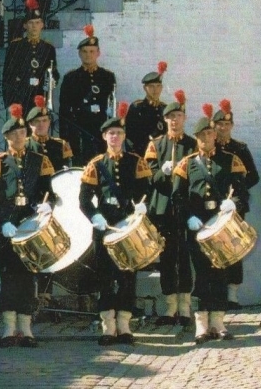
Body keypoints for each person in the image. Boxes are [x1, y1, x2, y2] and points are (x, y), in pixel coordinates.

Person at [176, 106, 250, 344]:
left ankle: (218, 323)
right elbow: (177, 197)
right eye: (202, 135)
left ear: (215, 136)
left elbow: (242, 193)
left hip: (221, 229)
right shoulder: (186, 164)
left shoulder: (231, 161)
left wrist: (233, 204)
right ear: (197, 138)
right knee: (201, 276)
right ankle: (201, 324)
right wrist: (188, 216)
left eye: (210, 134)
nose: (207, 139)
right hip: (198, 228)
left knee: (220, 275)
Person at [80, 103, 152, 347]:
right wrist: (95, 216)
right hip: (105, 228)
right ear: (104, 136)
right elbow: (83, 199)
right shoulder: (96, 164)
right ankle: (108, 326)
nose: (115, 137)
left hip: (128, 227)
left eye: (119, 133)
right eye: (111, 133)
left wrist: (143, 206)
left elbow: (147, 191)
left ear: (124, 136)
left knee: (127, 277)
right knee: (105, 277)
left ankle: (124, 326)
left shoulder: (136, 162)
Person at [0, 105, 55, 348]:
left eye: (22, 132)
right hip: (7, 228)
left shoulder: (39, 160)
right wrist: (3, 222)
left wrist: (48, 205)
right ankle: (8, 329)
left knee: (28, 278)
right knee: (9, 277)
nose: (19, 137)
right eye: (14, 134)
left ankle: (26, 330)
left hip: (29, 226)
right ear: (6, 137)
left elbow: (48, 190)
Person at [145, 91, 197, 329]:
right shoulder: (156, 144)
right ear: (165, 120)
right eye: (171, 117)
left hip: (185, 207)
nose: (175, 120)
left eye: (179, 116)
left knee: (184, 256)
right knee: (166, 258)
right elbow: (148, 176)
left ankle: (185, 305)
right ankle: (170, 305)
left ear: (184, 119)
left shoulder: (193, 144)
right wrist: (161, 173)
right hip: (163, 208)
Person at [213, 99, 260, 309]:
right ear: (214, 126)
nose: (223, 128)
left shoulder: (240, 148)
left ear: (232, 126)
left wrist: (237, 190)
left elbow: (253, 176)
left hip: (235, 206)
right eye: (219, 124)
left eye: (227, 124)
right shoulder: (209, 148)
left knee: (234, 248)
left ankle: (232, 294)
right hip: (213, 205)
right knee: (214, 248)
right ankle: (216, 293)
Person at [58, 25, 116, 159]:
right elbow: (64, 110)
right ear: (79, 54)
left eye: (91, 51)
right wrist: (64, 138)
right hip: (79, 131)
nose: (88, 55)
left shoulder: (107, 77)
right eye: (84, 51)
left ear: (98, 53)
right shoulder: (71, 78)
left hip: (102, 129)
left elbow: (111, 106)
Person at [1, 0, 58, 113]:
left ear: (42, 25)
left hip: (40, 95)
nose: (34, 26)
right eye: (30, 23)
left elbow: (54, 72)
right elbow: (8, 75)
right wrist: (10, 102)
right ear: (25, 26)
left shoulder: (48, 48)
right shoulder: (15, 46)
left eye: (37, 23)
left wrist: (53, 80)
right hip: (20, 96)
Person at [126, 62, 170, 154]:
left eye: (158, 86)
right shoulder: (137, 107)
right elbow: (130, 135)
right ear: (145, 88)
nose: (155, 90)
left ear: (161, 88)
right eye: (151, 87)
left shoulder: (165, 108)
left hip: (160, 155)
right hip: (142, 153)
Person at [26, 95, 73, 172]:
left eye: (44, 120)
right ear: (30, 124)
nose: (41, 124)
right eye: (37, 121)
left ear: (49, 122)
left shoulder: (61, 145)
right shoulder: (24, 145)